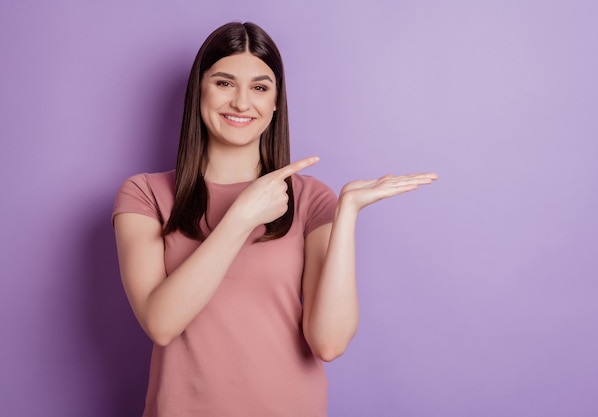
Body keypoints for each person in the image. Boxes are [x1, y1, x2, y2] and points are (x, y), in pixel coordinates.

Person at [112, 21, 437, 417]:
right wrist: (242, 217)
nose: (242, 103)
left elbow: (328, 343)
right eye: (224, 83)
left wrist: (346, 212)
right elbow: (161, 323)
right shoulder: (145, 194)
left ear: (277, 102)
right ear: (199, 89)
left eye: (260, 87)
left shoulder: (311, 198)